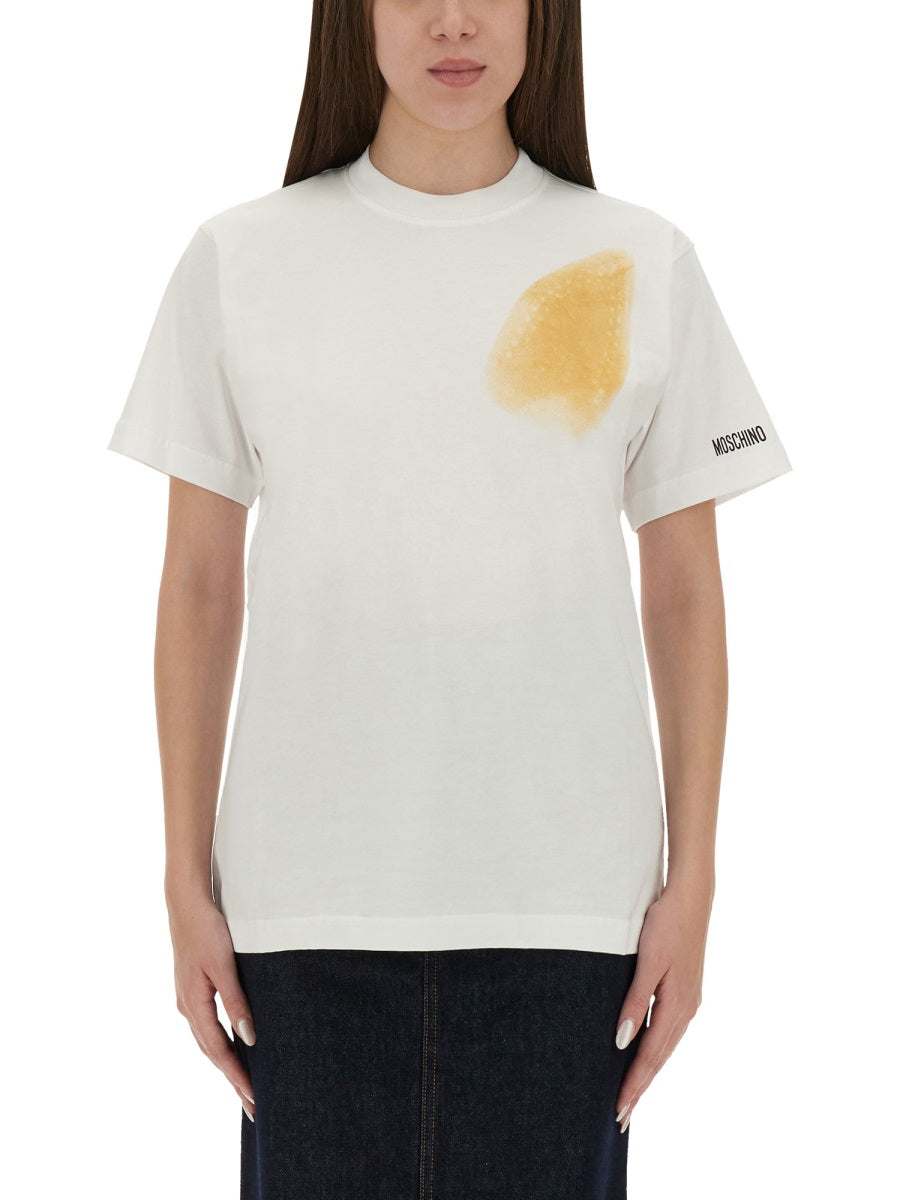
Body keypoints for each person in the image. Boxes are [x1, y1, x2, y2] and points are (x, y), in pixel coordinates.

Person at [106, 1, 793, 1196]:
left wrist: (695, 882)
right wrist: (181, 879)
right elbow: (200, 586)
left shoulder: (641, 259)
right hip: (304, 912)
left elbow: (685, 593)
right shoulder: (242, 258)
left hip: (570, 914)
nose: (455, 21)